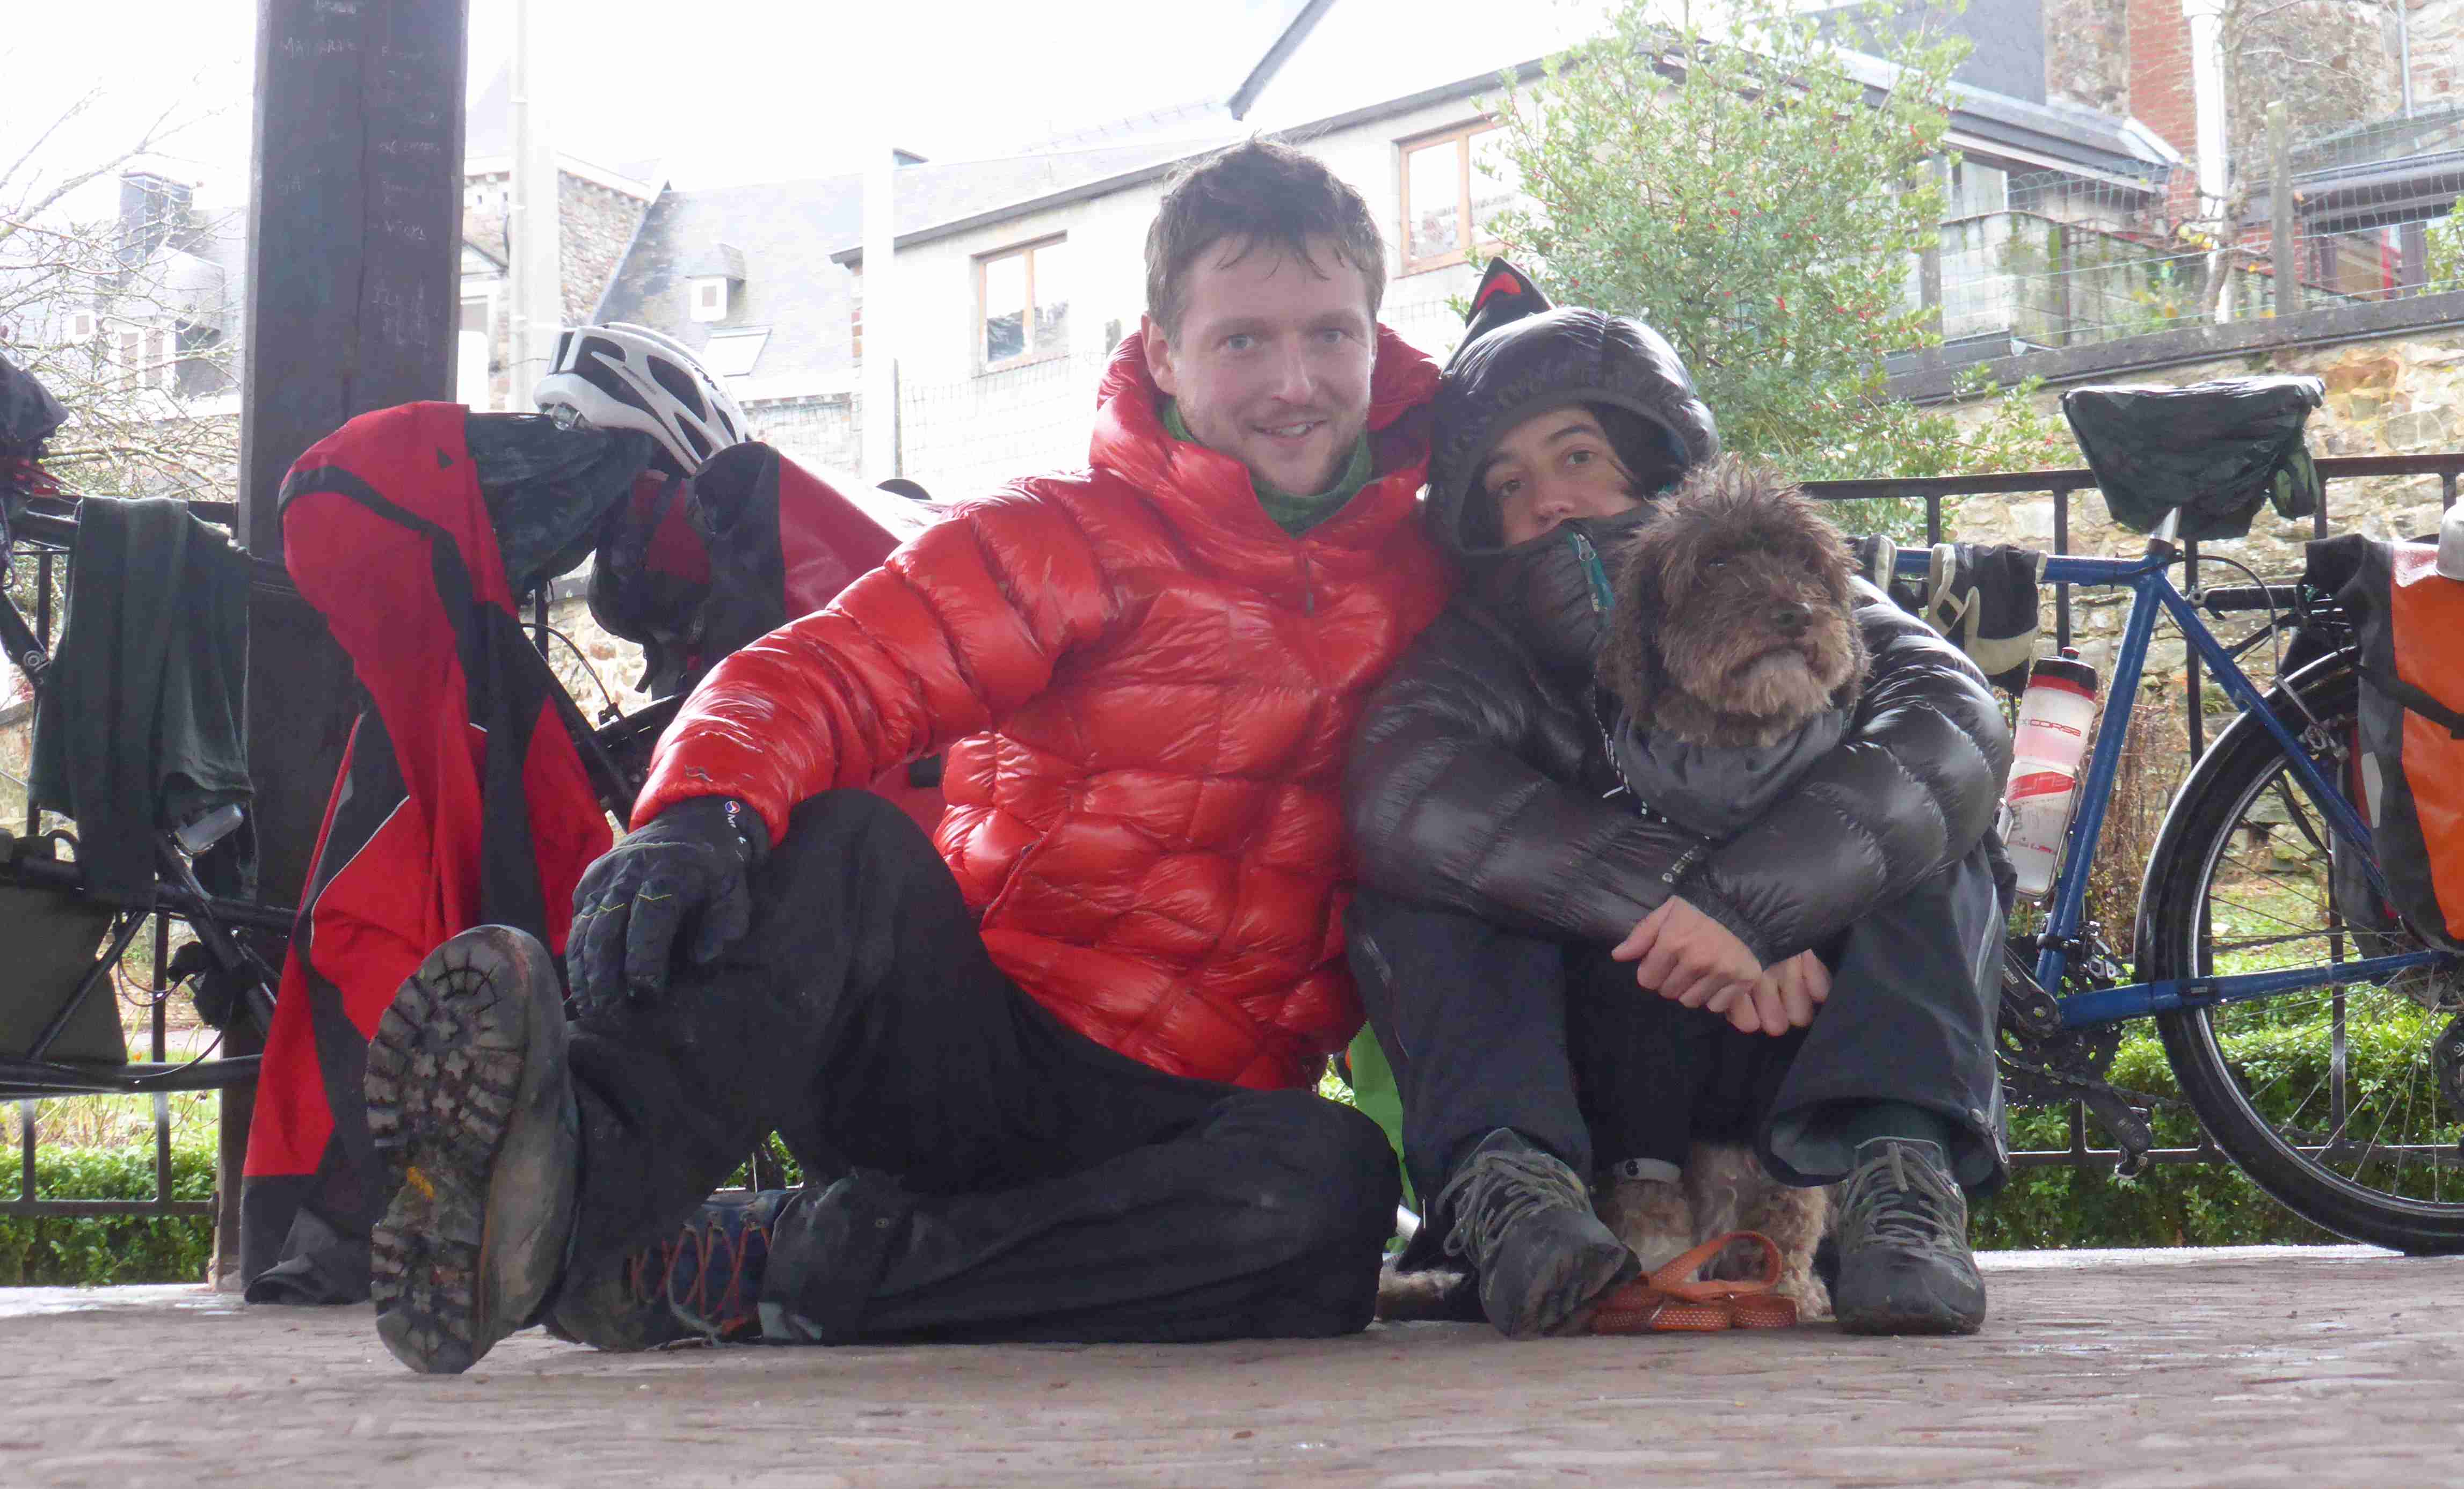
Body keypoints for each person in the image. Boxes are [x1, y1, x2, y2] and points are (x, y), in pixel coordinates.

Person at [361, 138, 1449, 1374]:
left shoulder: (1437, 579)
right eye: (1244, 339)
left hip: (1191, 1120)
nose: (1293, 380)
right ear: (1161, 351)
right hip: (969, 1055)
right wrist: (699, 805)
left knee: (1334, 1194)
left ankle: (771, 1264)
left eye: (1327, 334)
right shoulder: (1064, 537)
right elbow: (832, 670)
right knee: (844, 846)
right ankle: (564, 1194)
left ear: (1377, 337)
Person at [1346, 264, 2012, 1340]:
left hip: (1796, 1064)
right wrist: (1682, 903)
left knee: (1940, 825)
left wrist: (1759, 906)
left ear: (1653, 460)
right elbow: (1401, 790)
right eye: (1507, 485)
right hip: (1604, 1074)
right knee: (1425, 880)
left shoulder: (1786, 576)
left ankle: (1900, 1181)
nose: (1548, 497)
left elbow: (1953, 722)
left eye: (1576, 457)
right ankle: (1515, 1198)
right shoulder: (1479, 649)